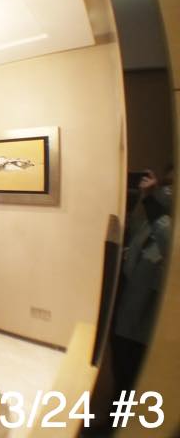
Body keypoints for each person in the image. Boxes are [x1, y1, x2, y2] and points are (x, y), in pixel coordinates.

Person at [111, 166, 173, 393]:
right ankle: (115, 413)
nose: (166, 190)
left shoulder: (164, 224)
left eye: (171, 186)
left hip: (146, 327)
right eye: (165, 184)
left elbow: (168, 244)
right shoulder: (151, 222)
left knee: (133, 382)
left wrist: (150, 201)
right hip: (126, 312)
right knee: (120, 375)